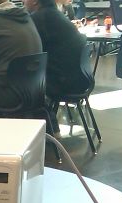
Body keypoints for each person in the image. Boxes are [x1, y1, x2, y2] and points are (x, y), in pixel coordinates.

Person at [26, 0, 87, 130]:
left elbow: (30, 51)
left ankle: (45, 131)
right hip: (80, 79)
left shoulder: (38, 18)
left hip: (63, 83)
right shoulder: (57, 16)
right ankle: (50, 128)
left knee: (23, 86)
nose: (23, 1)